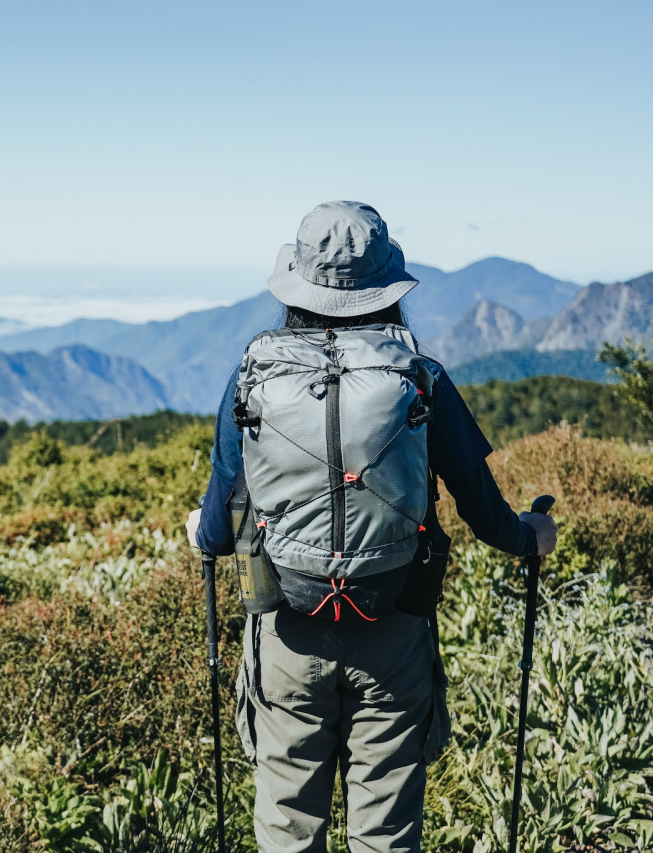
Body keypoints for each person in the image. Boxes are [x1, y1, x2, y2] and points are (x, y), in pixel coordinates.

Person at [186, 201, 558, 852]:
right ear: (387, 288)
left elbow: (220, 528)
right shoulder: (421, 379)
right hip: (393, 626)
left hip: (287, 630)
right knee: (385, 834)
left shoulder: (253, 379)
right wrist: (530, 535)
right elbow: (480, 506)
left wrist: (199, 531)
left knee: (287, 830)